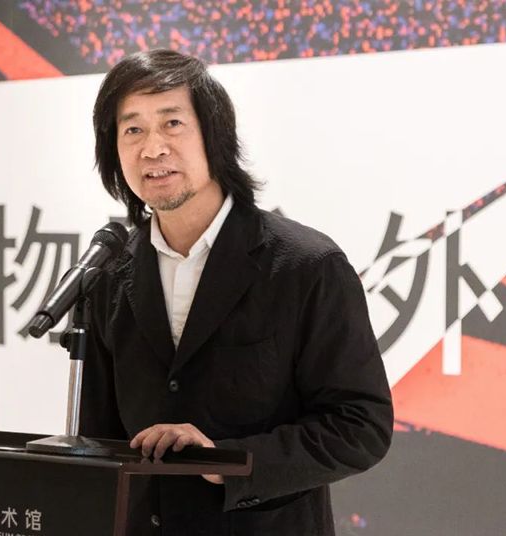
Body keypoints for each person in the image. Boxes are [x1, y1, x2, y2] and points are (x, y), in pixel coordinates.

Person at [80, 49, 393, 535]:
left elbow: (360, 425)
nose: (153, 148)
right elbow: (98, 439)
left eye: (172, 123)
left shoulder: (306, 266)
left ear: (215, 134)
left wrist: (228, 460)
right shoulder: (107, 274)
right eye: (133, 129)